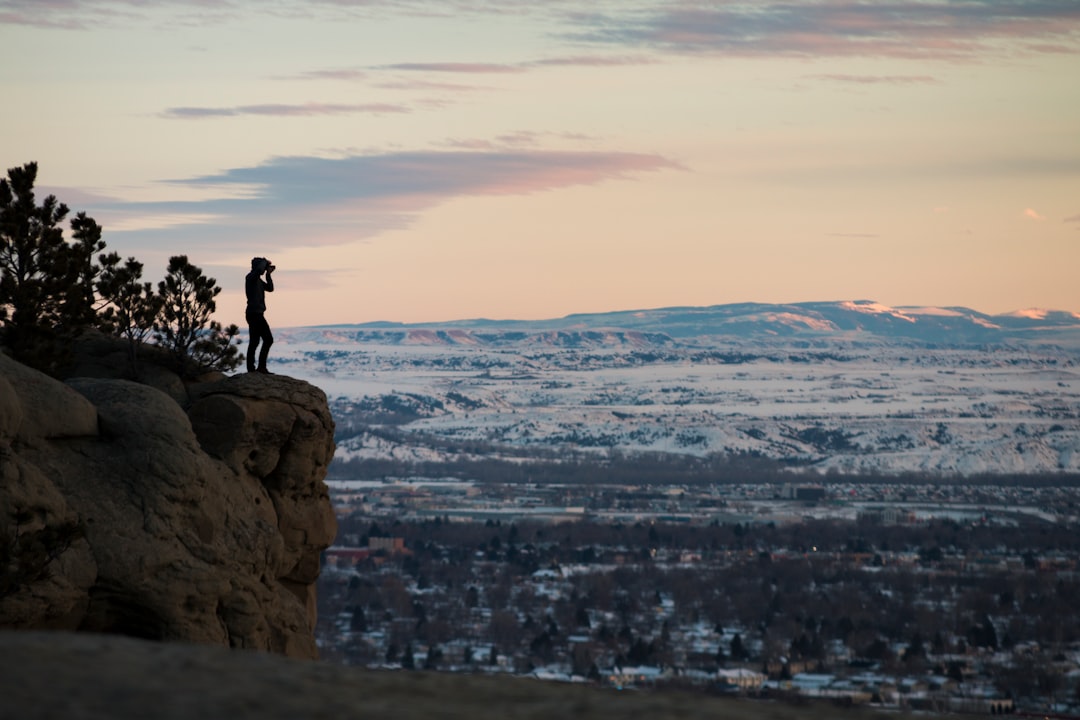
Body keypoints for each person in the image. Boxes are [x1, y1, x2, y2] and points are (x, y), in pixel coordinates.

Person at [245, 256, 275, 373]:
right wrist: (265, 263)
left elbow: (270, 288)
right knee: (268, 339)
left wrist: (268, 274)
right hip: (254, 314)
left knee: (255, 342)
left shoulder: (257, 280)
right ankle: (259, 367)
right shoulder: (250, 277)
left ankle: (252, 369)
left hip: (256, 314)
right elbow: (258, 271)